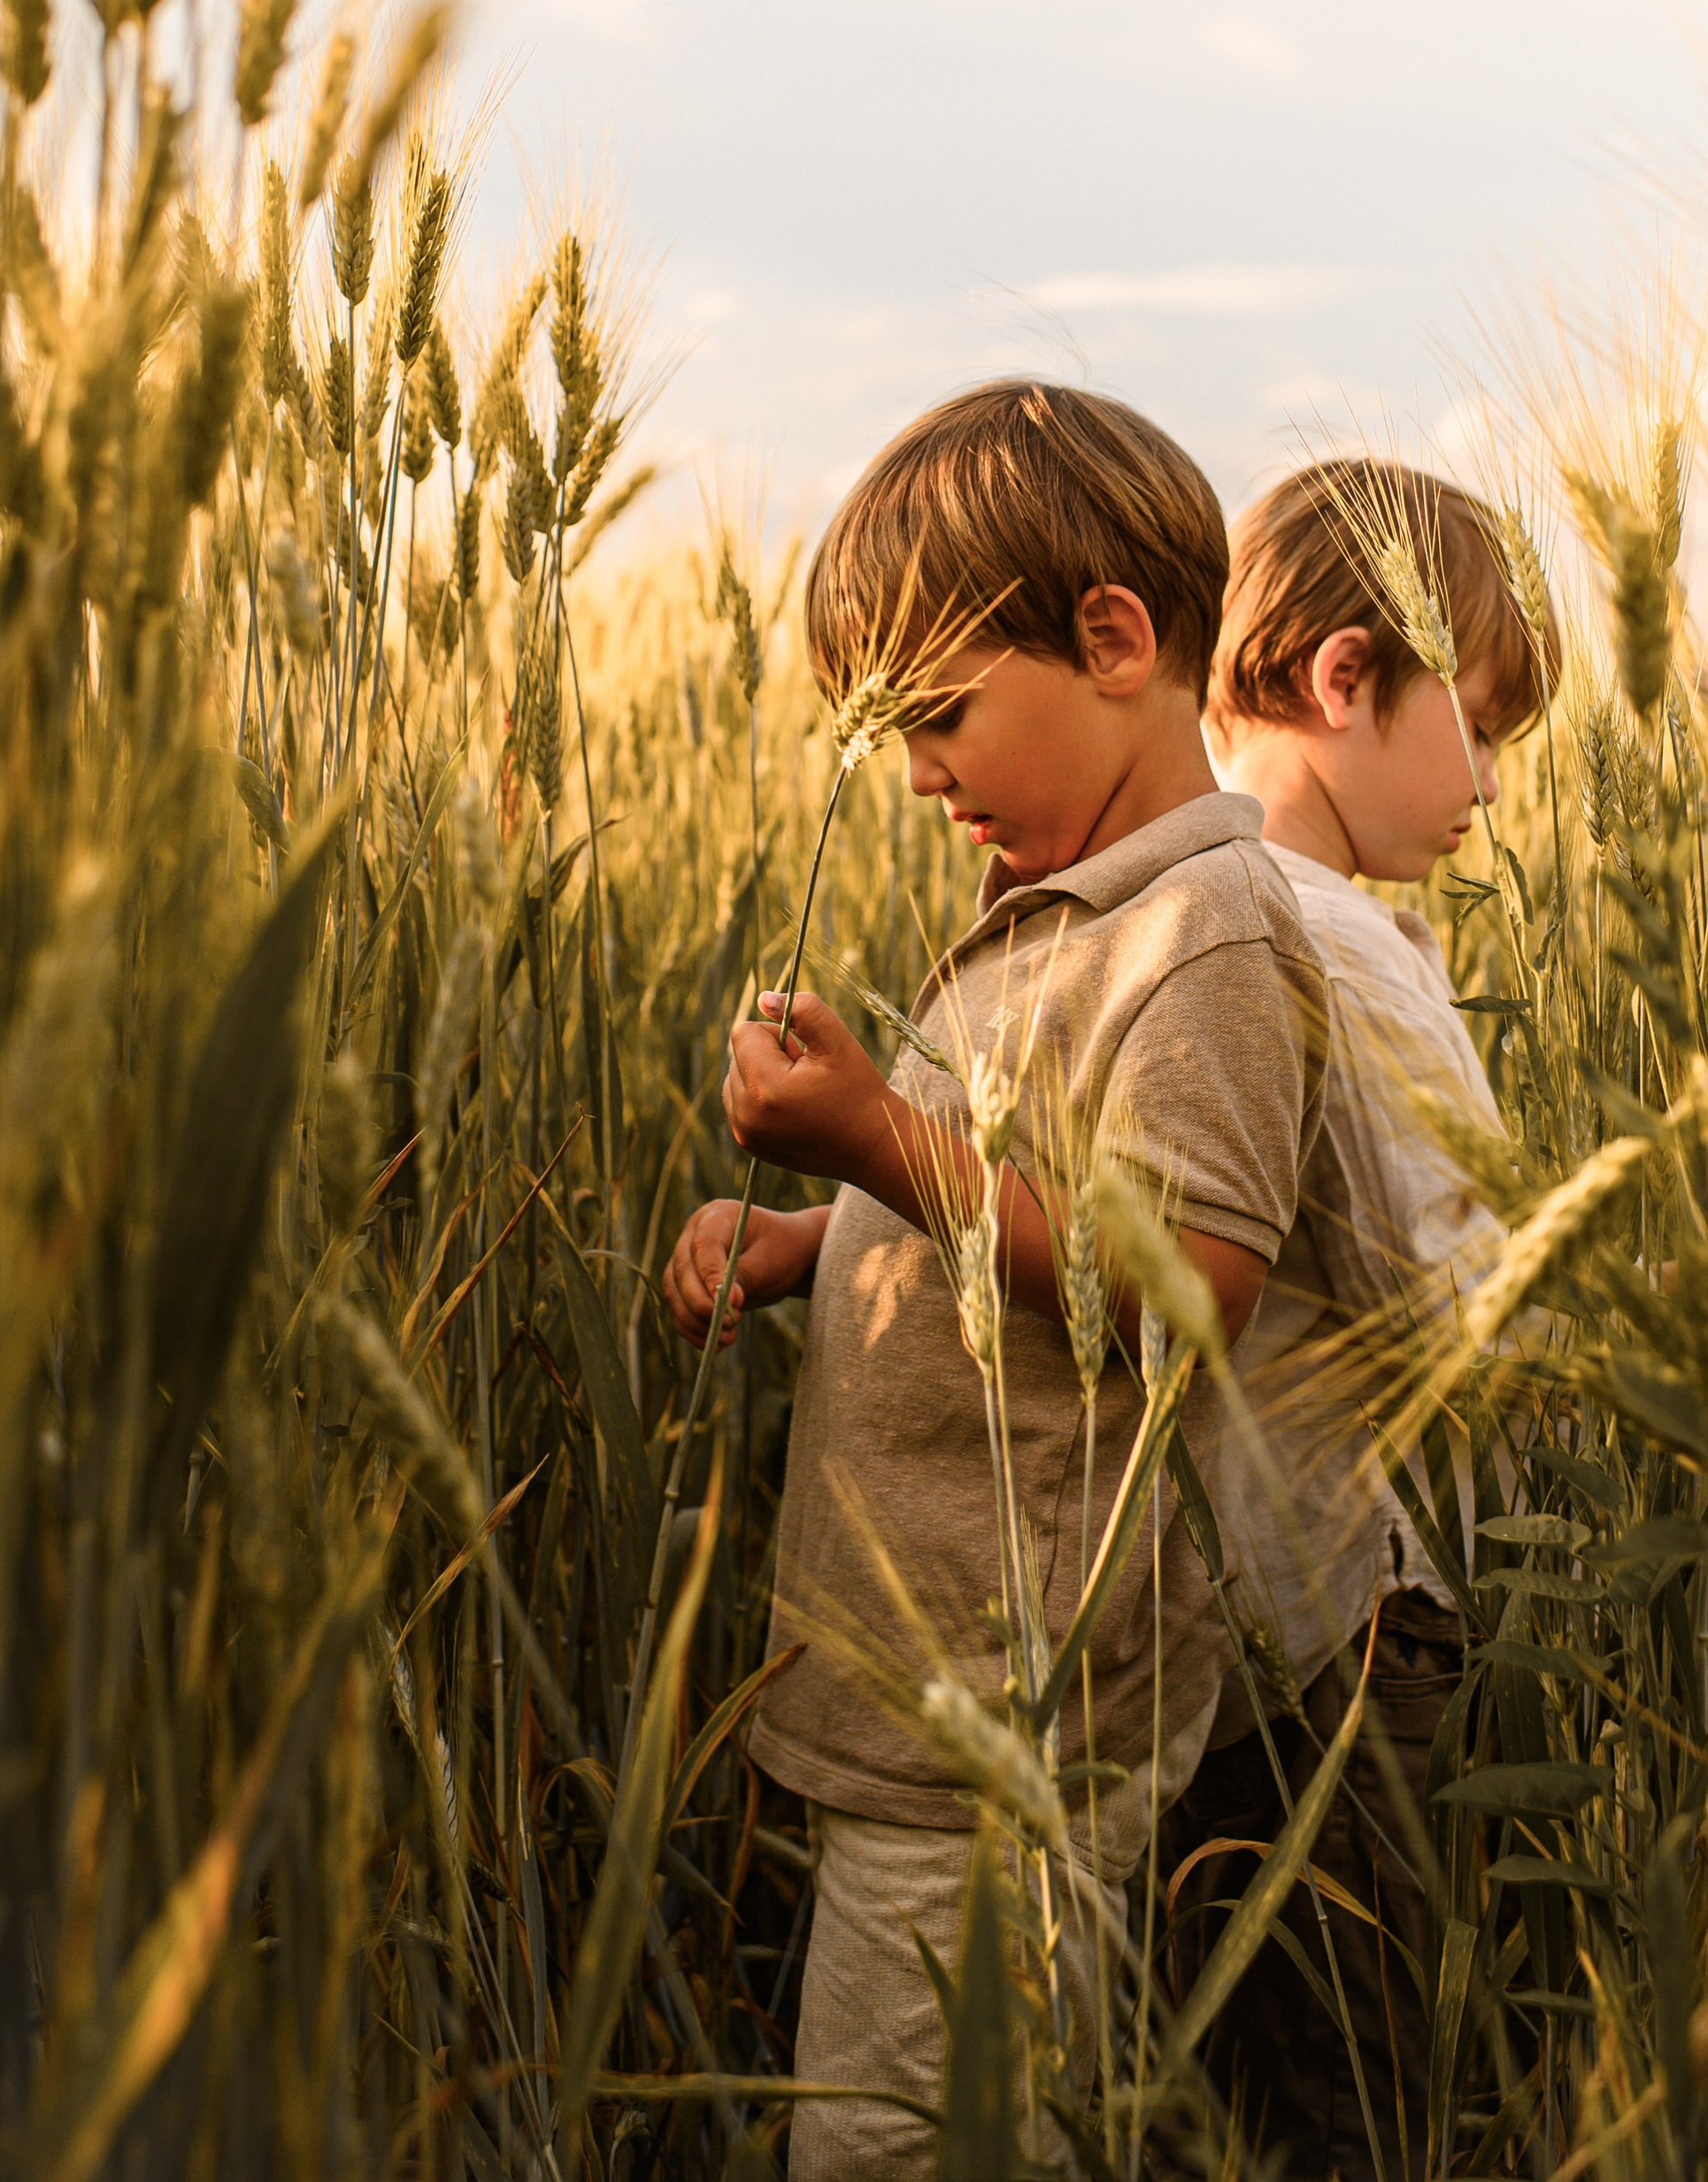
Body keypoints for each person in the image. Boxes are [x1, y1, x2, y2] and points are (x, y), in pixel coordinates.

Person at [660, 379, 1327, 2180]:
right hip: (925, 1698)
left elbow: (1180, 1280)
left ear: (1113, 640)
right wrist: (812, 1244)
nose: (912, 772)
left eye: (936, 713)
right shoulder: (1055, 923)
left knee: (907, 2144)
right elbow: (998, 1223)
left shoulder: (1201, 943)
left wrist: (879, 1136)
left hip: (1011, 1734)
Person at [1166, 459, 1558, 2182]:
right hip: (1341, 1640)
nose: (1486, 783)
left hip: (1170, 1632)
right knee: (1356, 2093)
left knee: (1197, 2080)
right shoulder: (1349, 943)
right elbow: (1459, 1302)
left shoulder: (1144, 906)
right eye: (1472, 727)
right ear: (1342, 680)